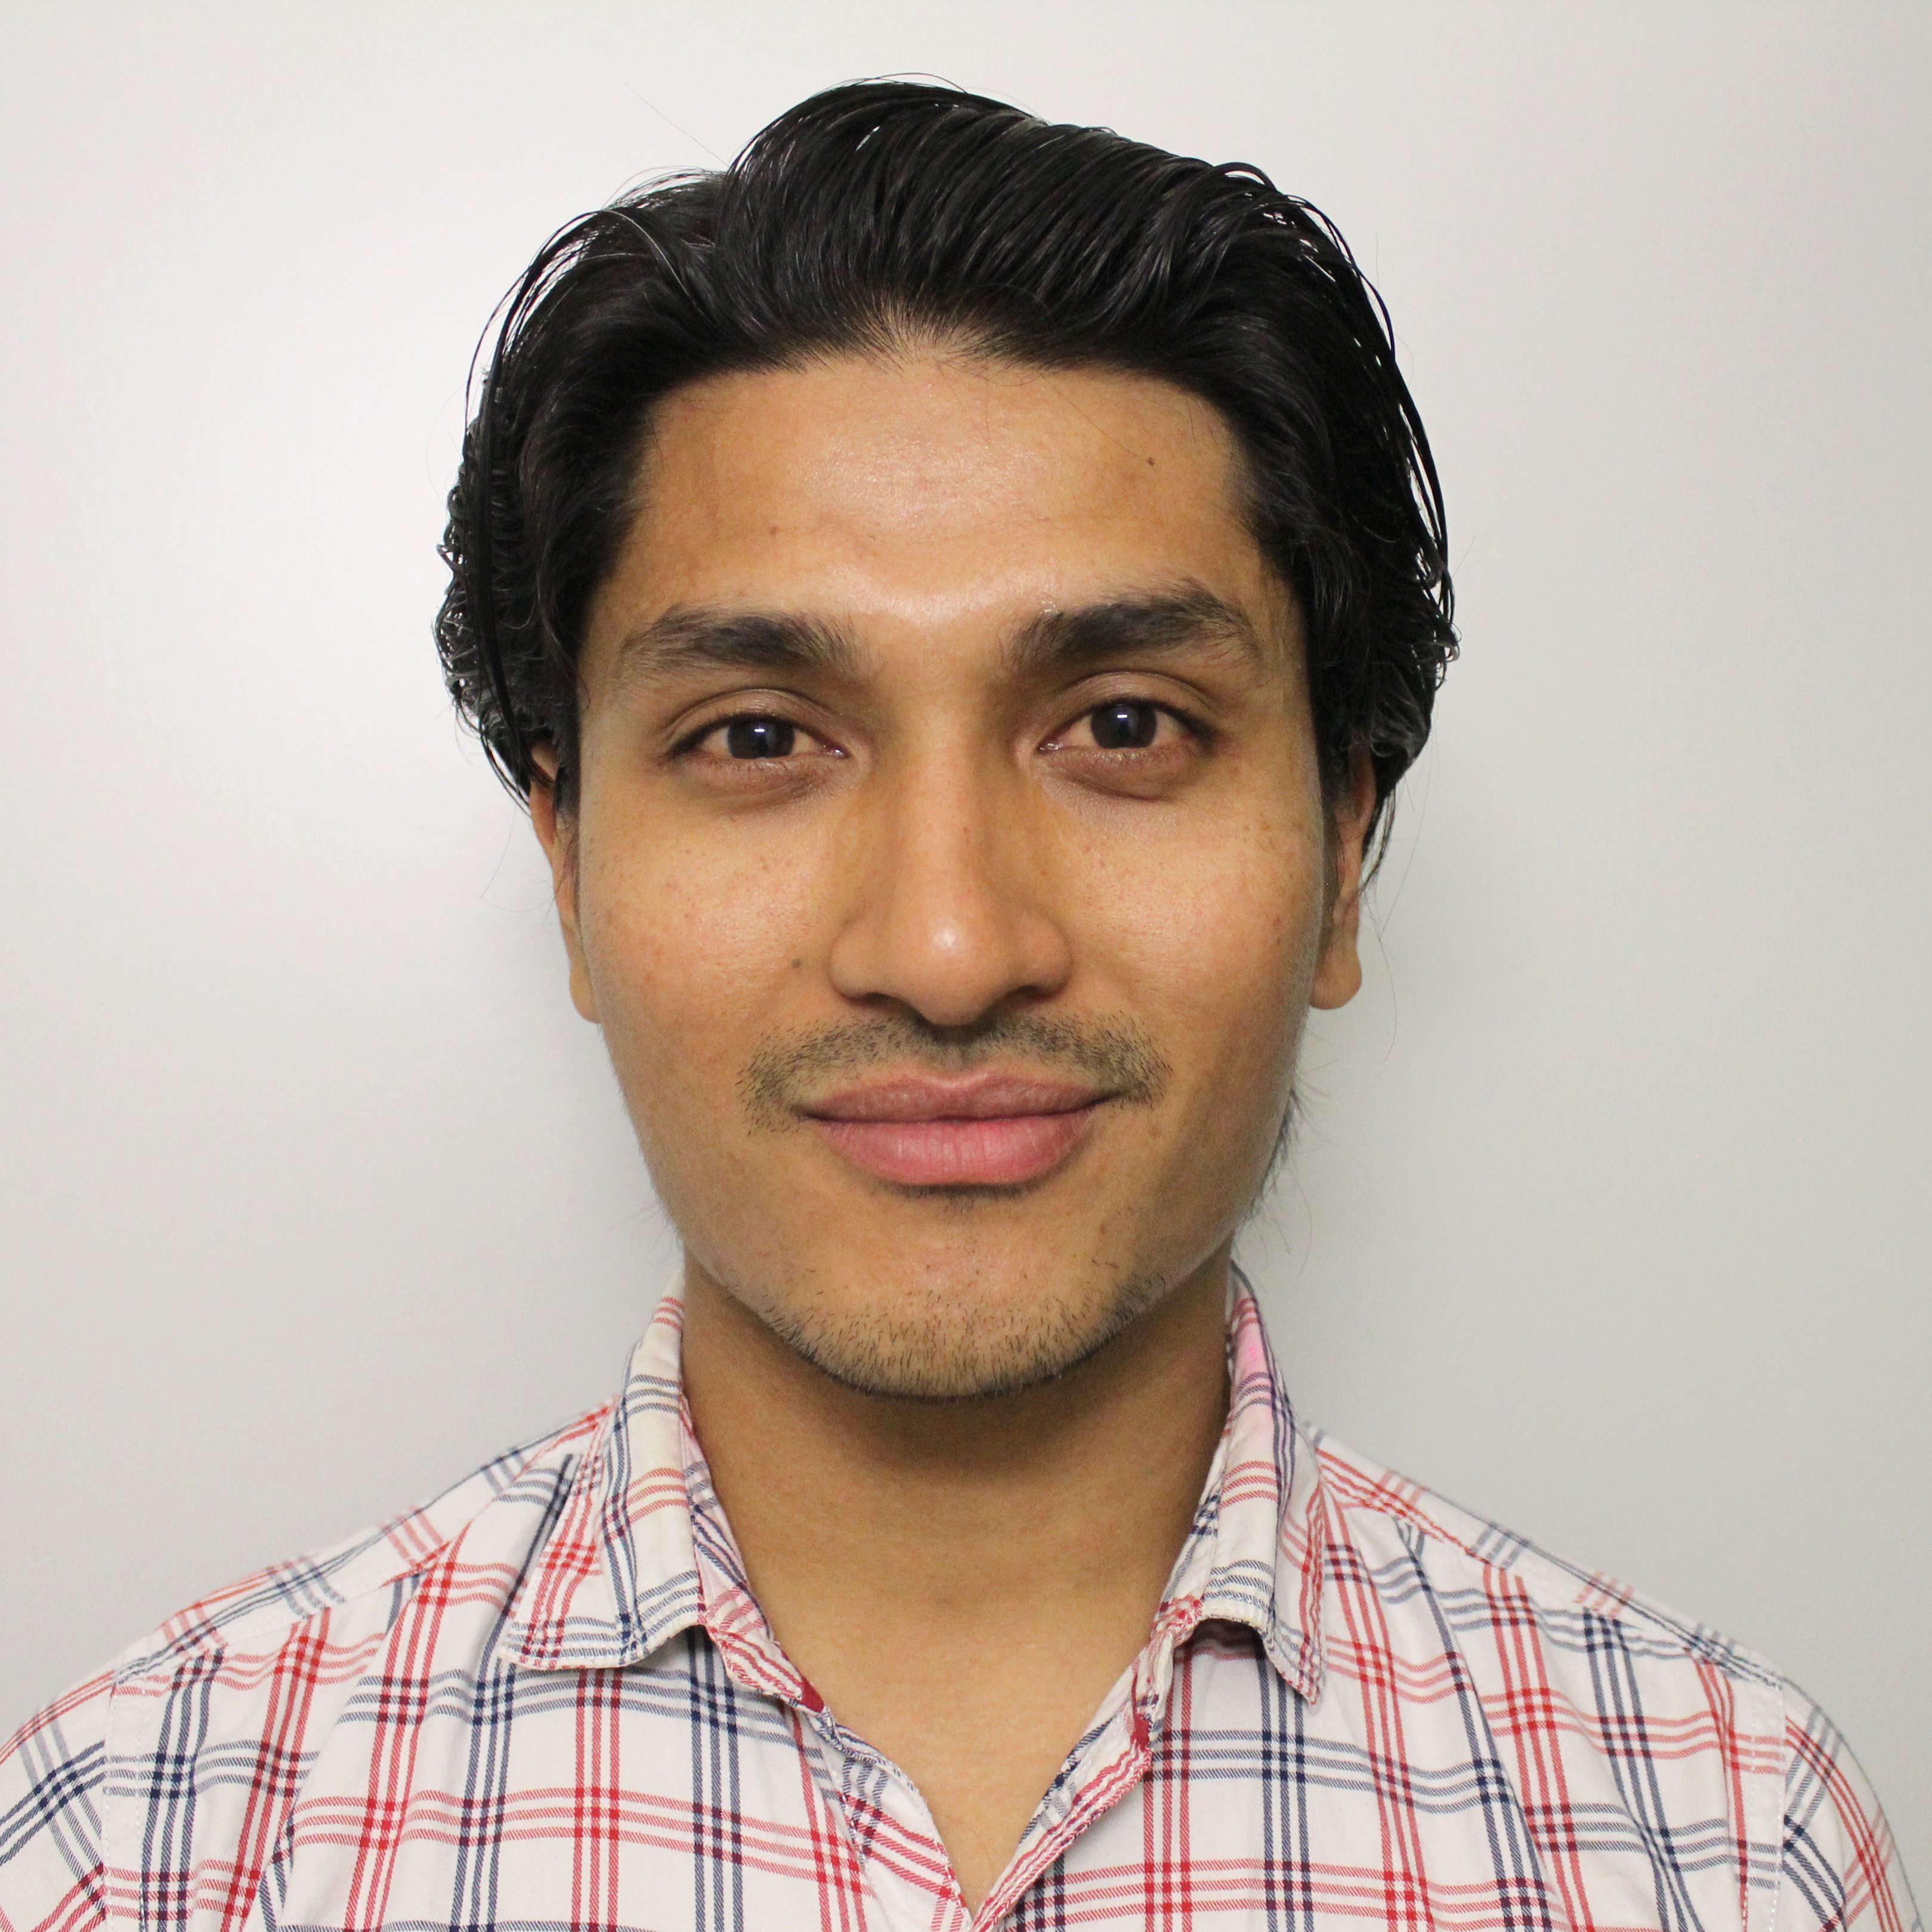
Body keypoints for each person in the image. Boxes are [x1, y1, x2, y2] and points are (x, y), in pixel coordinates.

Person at [0, 78, 1915, 1932]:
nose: (946, 946)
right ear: (568, 869)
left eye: (1124, 725)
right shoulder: (142, 1847)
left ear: (1345, 852)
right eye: (761, 736)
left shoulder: (1727, 1846)